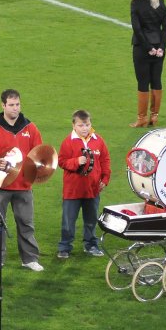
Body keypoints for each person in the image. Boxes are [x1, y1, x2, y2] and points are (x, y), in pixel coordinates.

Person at [0, 88, 44, 272]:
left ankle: (30, 259)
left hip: (23, 185)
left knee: (26, 223)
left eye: (17, 104)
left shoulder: (30, 129)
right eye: (11, 105)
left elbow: (38, 152)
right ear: (3, 106)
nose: (15, 108)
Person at [57, 110, 111, 258]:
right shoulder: (68, 142)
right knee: (68, 221)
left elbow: (105, 160)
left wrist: (105, 179)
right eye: (81, 125)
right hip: (72, 191)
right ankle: (64, 247)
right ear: (74, 125)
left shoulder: (98, 140)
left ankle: (91, 245)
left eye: (87, 124)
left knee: (91, 220)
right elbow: (61, 161)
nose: (85, 128)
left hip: (92, 190)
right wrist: (76, 161)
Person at [130, 0, 166, 128]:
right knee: (156, 80)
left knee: (143, 82)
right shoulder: (160, 2)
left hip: (142, 48)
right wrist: (161, 48)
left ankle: (141, 119)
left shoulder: (136, 3)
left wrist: (148, 48)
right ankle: (154, 117)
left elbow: (137, 29)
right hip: (159, 49)